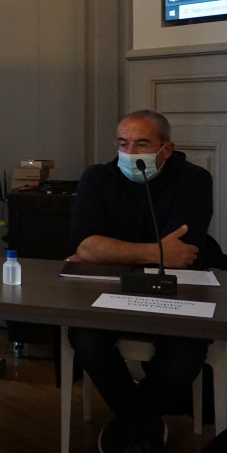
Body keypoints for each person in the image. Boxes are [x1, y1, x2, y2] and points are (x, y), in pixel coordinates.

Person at [68, 109, 213, 453]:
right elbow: (86, 247)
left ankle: (128, 426)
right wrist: (154, 251)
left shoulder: (194, 179)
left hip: (178, 288)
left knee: (186, 350)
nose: (130, 152)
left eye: (141, 144)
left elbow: (181, 255)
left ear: (166, 149)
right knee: (85, 337)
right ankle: (144, 427)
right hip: (108, 289)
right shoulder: (97, 177)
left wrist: (111, 251)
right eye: (123, 143)